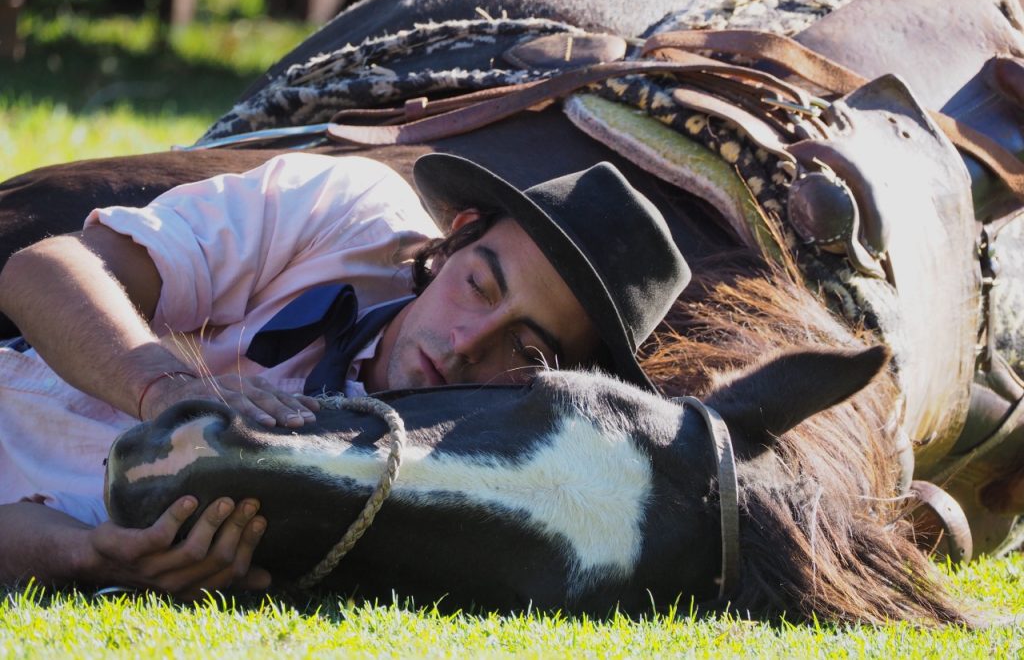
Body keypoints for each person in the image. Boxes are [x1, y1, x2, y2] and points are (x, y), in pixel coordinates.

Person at [0, 151, 688, 597]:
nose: (464, 344)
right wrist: (164, 388)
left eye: (526, 348)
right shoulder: (344, 211)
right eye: (479, 285)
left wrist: (91, 556)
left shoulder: (463, 507)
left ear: (558, 391)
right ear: (459, 237)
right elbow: (41, 272)